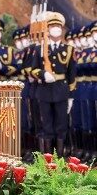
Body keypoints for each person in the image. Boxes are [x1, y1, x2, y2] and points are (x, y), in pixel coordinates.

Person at [30, 12, 76, 155]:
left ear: (62, 29)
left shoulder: (68, 50)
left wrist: (71, 96)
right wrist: (43, 74)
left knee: (61, 126)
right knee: (46, 126)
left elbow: (72, 75)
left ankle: (60, 158)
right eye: (52, 26)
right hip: (44, 90)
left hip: (61, 91)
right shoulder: (39, 49)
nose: (56, 29)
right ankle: (47, 160)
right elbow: (33, 70)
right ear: (47, 30)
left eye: (58, 26)